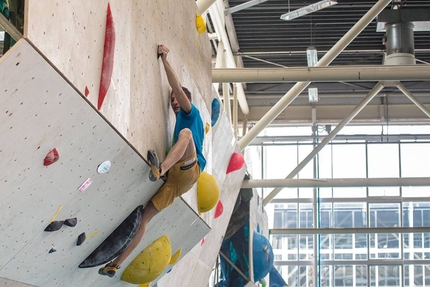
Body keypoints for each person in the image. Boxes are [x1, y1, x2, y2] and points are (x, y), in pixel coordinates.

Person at [98, 44, 206, 278]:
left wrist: (165, 60)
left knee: (186, 136)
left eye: (178, 98)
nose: (174, 102)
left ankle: (160, 169)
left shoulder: (192, 115)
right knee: (145, 217)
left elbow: (176, 86)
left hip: (191, 170)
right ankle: (115, 264)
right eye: (172, 100)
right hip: (177, 183)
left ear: (187, 100)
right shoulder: (177, 129)